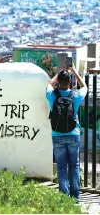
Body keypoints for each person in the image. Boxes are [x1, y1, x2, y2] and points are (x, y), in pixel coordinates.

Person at [46, 65, 87, 204]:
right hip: (73, 134)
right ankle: (75, 199)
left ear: (59, 81)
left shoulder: (52, 95)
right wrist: (74, 71)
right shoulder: (75, 96)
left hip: (57, 135)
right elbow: (84, 86)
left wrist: (59, 72)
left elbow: (49, 84)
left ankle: (64, 197)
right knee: (74, 166)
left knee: (61, 167)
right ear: (70, 82)